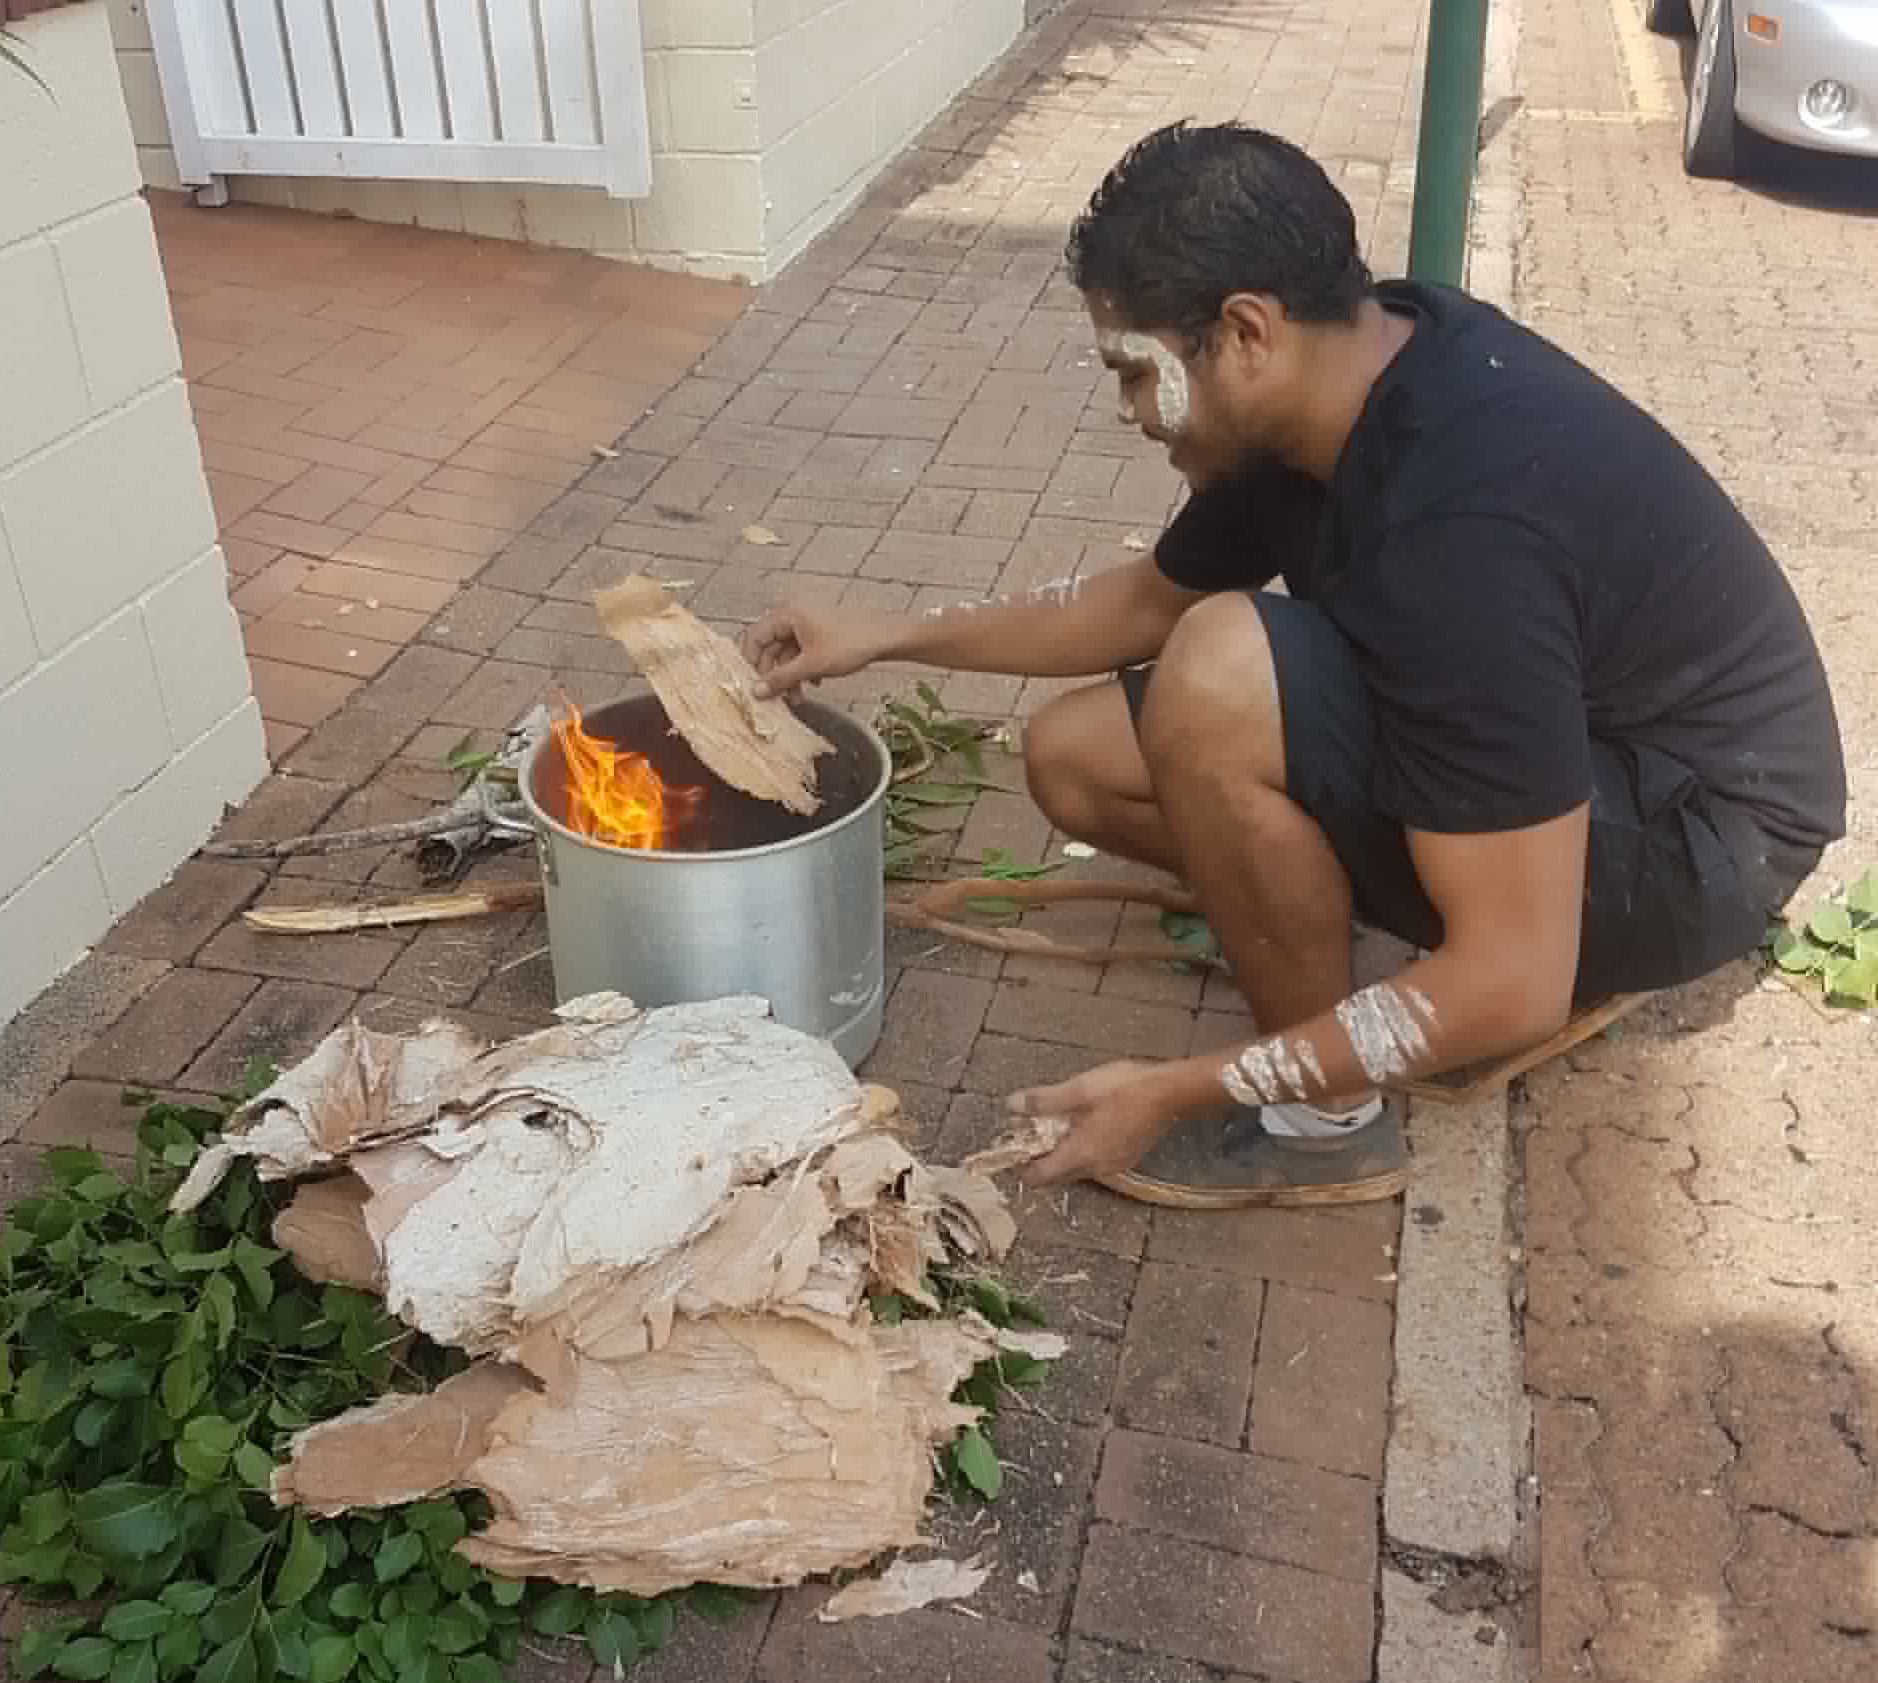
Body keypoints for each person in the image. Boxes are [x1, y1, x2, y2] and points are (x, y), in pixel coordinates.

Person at [740, 122, 1846, 1206]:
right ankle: (1340, 944)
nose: (1128, 412)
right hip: (1586, 753)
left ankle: (1324, 1125)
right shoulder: (1338, 381)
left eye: (1134, 372)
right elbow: (1136, 603)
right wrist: (883, 632)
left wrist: (1177, 1088)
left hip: (1694, 844)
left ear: (1244, 331)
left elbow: (1515, 982)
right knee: (1075, 756)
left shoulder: (1460, 526)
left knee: (1219, 672)